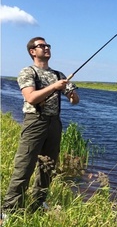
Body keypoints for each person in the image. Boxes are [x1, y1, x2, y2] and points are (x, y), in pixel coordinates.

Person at [1, 37, 80, 216]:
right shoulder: (27, 72)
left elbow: (75, 101)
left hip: (54, 123)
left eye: (47, 45)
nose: (46, 48)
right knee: (24, 165)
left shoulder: (59, 75)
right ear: (32, 51)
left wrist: (71, 91)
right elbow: (31, 97)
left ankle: (39, 203)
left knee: (48, 166)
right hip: (35, 121)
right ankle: (9, 210)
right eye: (41, 46)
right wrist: (54, 87)